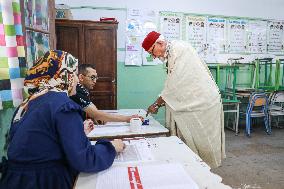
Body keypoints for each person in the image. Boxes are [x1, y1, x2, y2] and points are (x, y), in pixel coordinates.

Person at [0, 50, 125, 189]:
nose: (77, 80)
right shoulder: (63, 105)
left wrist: (77, 131)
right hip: (45, 181)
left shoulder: (27, 103)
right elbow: (84, 159)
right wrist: (112, 148)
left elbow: (39, 142)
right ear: (64, 75)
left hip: (14, 180)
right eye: (74, 74)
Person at [142, 31, 225, 168]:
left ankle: (202, 169)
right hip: (195, 100)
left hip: (204, 102)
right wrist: (158, 104)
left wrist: (155, 104)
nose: (154, 56)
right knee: (189, 138)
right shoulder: (172, 52)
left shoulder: (180, 50)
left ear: (160, 43)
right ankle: (191, 166)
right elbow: (174, 85)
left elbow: (174, 86)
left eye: (152, 52)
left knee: (204, 140)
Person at [70, 64, 141, 129]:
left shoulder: (82, 89)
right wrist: (127, 119)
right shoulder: (77, 90)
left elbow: (93, 108)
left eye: (96, 78)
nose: (95, 81)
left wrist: (99, 116)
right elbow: (95, 114)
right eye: (92, 77)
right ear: (81, 77)